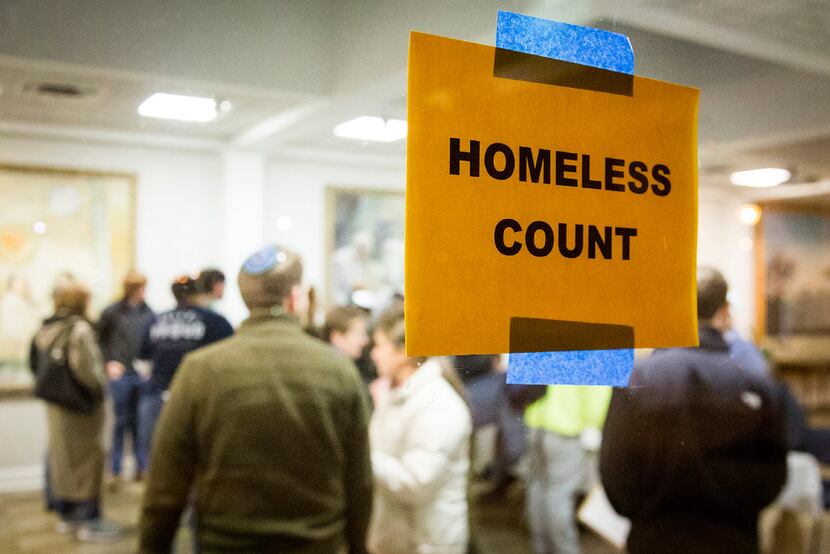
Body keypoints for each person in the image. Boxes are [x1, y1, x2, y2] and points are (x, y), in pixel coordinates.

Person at [140, 245, 372, 553]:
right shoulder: (338, 370)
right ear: (295, 298)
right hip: (316, 544)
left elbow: (165, 487)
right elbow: (359, 482)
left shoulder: (199, 370)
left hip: (226, 544)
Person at [600, 267, 788, 553]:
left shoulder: (638, 379)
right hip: (734, 542)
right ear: (724, 309)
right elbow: (772, 476)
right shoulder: (756, 383)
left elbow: (617, 481)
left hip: (655, 541)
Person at [368, 305, 472, 554]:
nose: (373, 354)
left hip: (426, 543)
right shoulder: (395, 392)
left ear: (404, 351)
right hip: (399, 537)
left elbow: (416, 482)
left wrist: (360, 456)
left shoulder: (438, 405)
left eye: (379, 346)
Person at [29, 283, 120, 542]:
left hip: (57, 405)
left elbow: (35, 364)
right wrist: (102, 386)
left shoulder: (47, 328)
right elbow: (88, 372)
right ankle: (89, 520)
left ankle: (67, 516)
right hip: (81, 408)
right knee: (87, 461)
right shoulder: (79, 329)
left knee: (62, 460)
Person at [135, 275, 233, 471]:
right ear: (198, 293)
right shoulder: (214, 321)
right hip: (199, 398)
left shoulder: (157, 320)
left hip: (158, 394)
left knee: (160, 456)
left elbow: (142, 360)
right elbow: (229, 359)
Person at [521, 385, 611, 554]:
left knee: (538, 489)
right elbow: (597, 398)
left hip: (536, 422)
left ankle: (541, 549)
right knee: (559, 496)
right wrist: (595, 425)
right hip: (567, 428)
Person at [97, 271, 154, 484]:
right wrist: (108, 362)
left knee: (141, 423)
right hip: (120, 374)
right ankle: (115, 469)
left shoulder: (149, 313)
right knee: (121, 422)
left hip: (141, 374)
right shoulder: (111, 313)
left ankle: (142, 467)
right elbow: (100, 342)